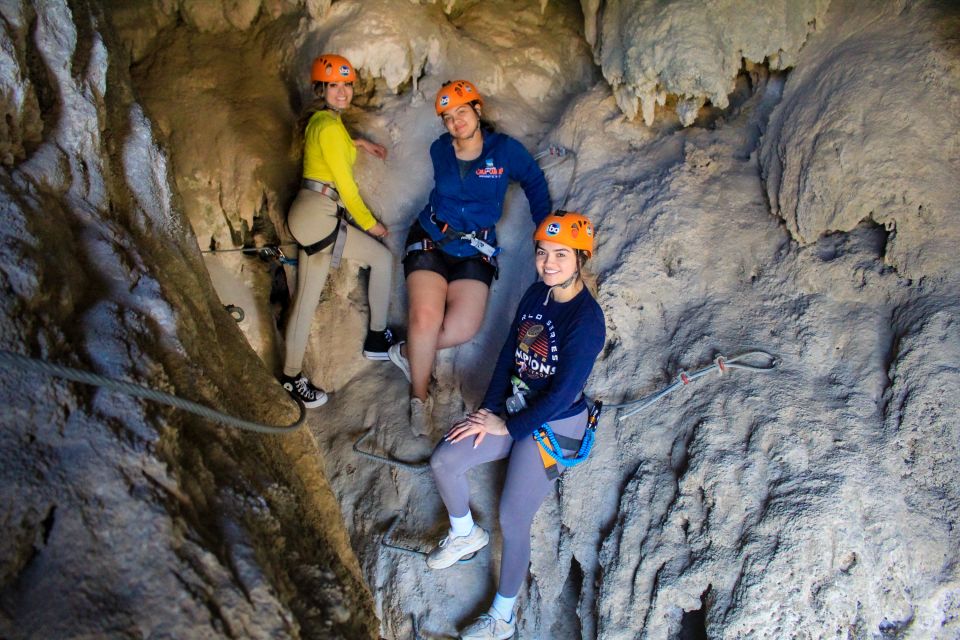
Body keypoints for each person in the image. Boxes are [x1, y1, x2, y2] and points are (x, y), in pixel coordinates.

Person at [427, 212, 605, 640]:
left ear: (581, 259)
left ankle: (503, 618)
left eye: (561, 255)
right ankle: (465, 534)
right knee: (445, 459)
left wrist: (507, 428)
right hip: (513, 409)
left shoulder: (586, 321)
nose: (549, 264)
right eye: (543, 254)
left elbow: (562, 393)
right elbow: (509, 354)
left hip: (555, 424)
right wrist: (486, 414)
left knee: (513, 515)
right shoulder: (536, 294)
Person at [389, 80, 551, 434]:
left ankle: (406, 352)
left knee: (464, 327)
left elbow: (535, 182)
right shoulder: (440, 150)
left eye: (461, 111)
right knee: (424, 317)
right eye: (447, 117)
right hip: (431, 237)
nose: (455, 121)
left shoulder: (504, 151)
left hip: (475, 249)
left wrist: (545, 229)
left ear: (477, 110)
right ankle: (418, 399)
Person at [280, 54, 395, 408]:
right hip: (319, 214)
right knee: (382, 258)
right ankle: (377, 339)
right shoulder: (328, 126)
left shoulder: (326, 122)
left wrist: (360, 144)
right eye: (335, 85)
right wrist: (369, 223)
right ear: (321, 89)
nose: (343, 91)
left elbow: (333, 151)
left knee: (305, 300)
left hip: (310, 212)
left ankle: (290, 376)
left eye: (347, 85)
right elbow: (345, 184)